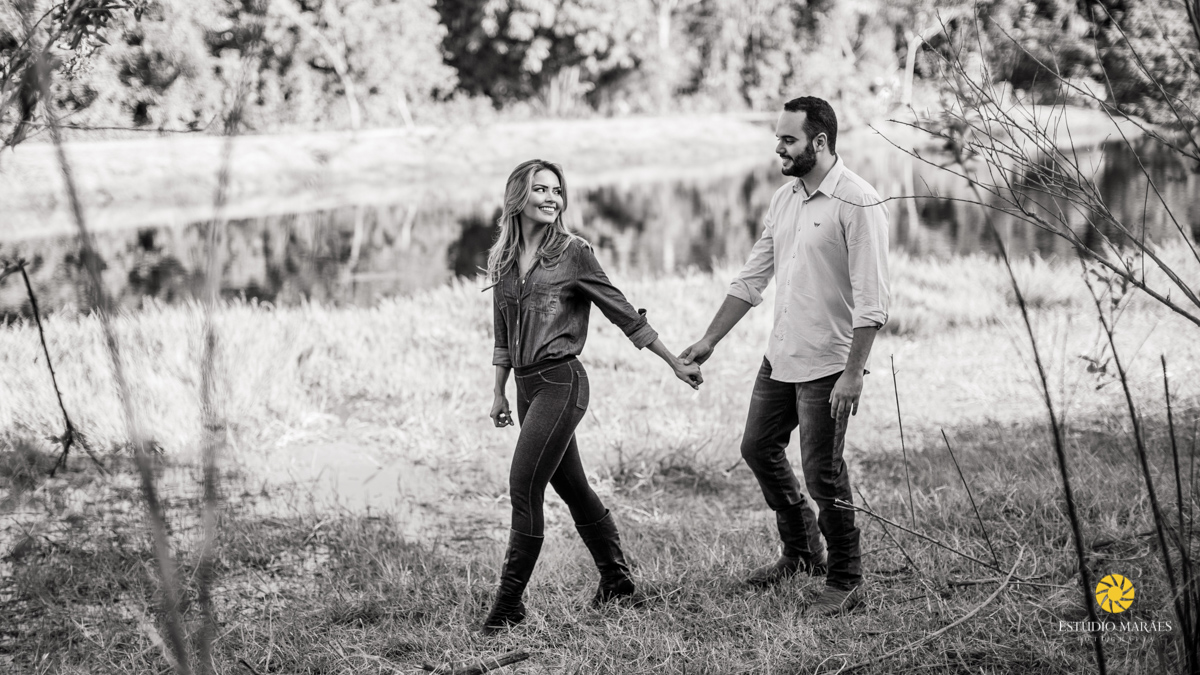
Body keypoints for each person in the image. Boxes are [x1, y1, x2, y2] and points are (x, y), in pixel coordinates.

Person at [680, 97, 890, 617]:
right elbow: (753, 277)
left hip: (830, 364)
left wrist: (853, 374)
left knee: (823, 474)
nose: (778, 147)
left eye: (788, 139)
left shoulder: (858, 202)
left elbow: (873, 302)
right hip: (781, 356)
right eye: (778, 138)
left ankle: (846, 579)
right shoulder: (784, 198)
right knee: (757, 448)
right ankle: (801, 553)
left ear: (820, 141)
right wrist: (710, 340)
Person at [482, 158, 704, 635]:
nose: (551, 198)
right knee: (573, 488)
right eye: (541, 189)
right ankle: (617, 581)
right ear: (518, 196)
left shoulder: (573, 252)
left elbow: (621, 310)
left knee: (524, 486)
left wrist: (673, 361)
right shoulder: (504, 259)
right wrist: (498, 391)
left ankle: (508, 606)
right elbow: (502, 332)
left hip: (562, 383)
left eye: (557, 191)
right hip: (525, 387)